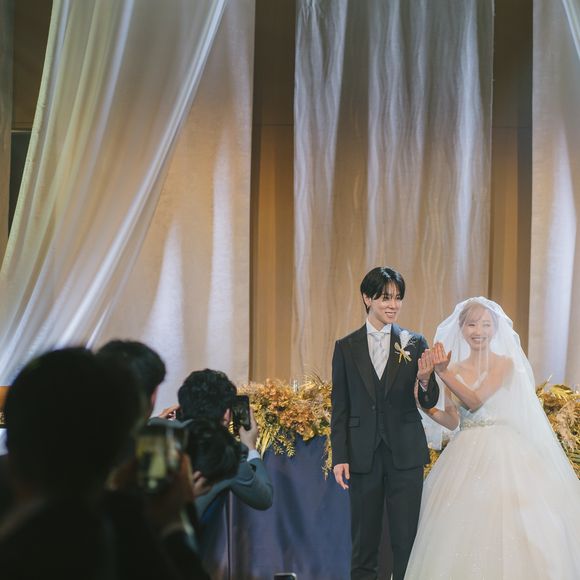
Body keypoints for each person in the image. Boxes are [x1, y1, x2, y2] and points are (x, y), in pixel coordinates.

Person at [405, 297, 580, 579]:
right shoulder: (453, 368)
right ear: (462, 328)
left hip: (503, 450)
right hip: (464, 451)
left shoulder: (504, 364)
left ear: (495, 329)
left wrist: (443, 373)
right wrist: (426, 406)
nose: (479, 331)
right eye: (472, 324)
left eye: (486, 324)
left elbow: (475, 400)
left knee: (508, 520)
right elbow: (454, 420)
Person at [331, 267, 439, 580]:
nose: (393, 305)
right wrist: (340, 456)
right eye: (385, 297)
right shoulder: (346, 347)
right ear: (367, 298)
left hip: (405, 453)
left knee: (406, 541)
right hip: (363, 454)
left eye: (397, 298)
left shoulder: (415, 342)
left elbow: (429, 400)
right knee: (364, 541)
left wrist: (425, 379)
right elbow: (340, 407)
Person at [175, 369, 273, 520]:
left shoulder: (154, 430)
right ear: (227, 414)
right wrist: (250, 447)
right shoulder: (226, 450)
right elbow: (264, 498)